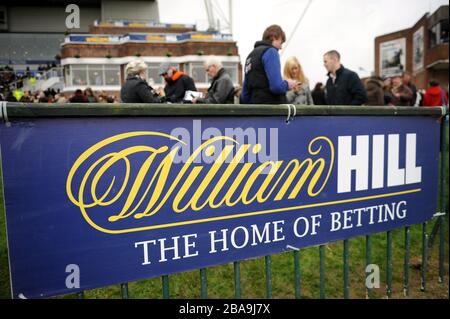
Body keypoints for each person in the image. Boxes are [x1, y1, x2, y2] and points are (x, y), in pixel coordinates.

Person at [241, 25, 299, 104]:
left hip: (254, 109)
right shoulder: (271, 52)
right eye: (281, 42)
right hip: (271, 110)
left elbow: (244, 95)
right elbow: (276, 87)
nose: (281, 47)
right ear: (274, 37)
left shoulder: (250, 57)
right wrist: (287, 84)